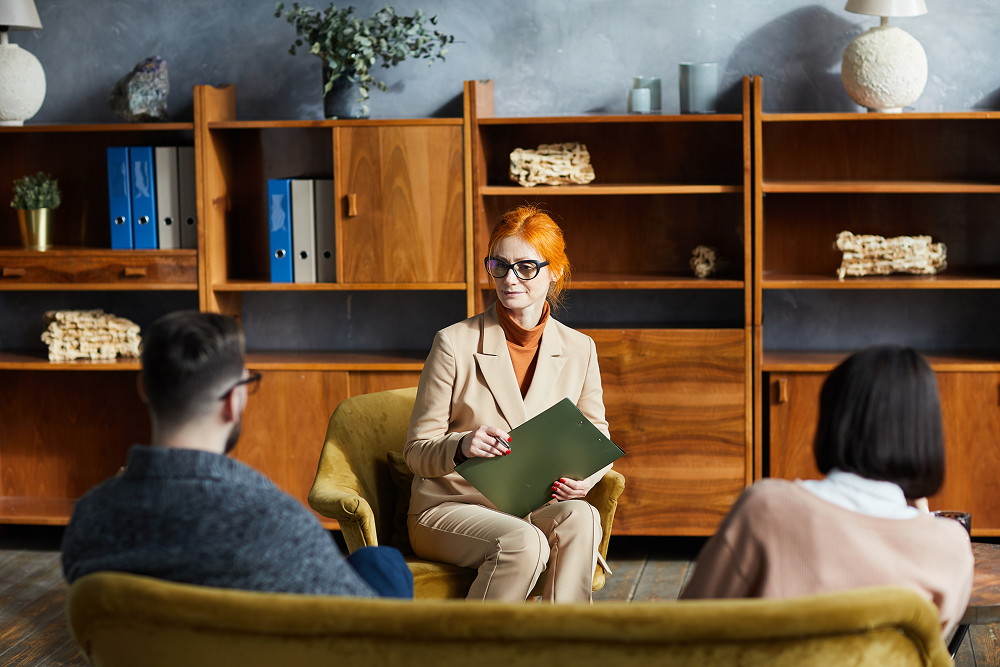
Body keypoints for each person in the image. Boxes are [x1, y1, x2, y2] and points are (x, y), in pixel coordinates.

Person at [62, 310, 412, 599]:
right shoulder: (272, 519)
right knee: (383, 565)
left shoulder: (89, 518)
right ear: (233, 401)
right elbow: (363, 623)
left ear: (144, 389)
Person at [681, 345, 973, 636]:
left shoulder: (767, 510)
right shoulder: (951, 549)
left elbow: (686, 628)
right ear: (926, 436)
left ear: (833, 422)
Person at [404, 205, 612, 603]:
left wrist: (587, 478)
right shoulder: (453, 343)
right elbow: (416, 453)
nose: (509, 279)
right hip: (450, 507)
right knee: (524, 542)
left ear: (555, 271)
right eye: (499, 266)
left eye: (525, 267)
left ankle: (560, 650)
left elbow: (598, 436)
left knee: (582, 516)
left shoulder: (580, 348)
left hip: (528, 504)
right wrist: (461, 445)